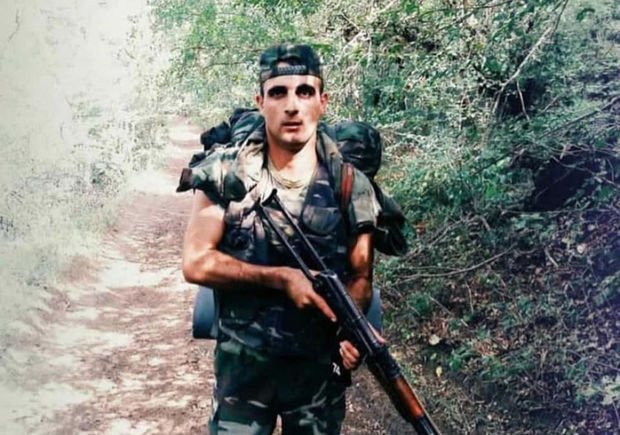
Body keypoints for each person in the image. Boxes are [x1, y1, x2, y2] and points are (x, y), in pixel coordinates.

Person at [182, 43, 381, 435]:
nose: (292, 105)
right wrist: (281, 278)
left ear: (323, 102)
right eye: (278, 92)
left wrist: (350, 334)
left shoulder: (350, 185)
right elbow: (196, 262)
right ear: (261, 102)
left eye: (305, 91)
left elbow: (360, 277)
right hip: (243, 370)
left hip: (317, 376)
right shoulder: (227, 175)